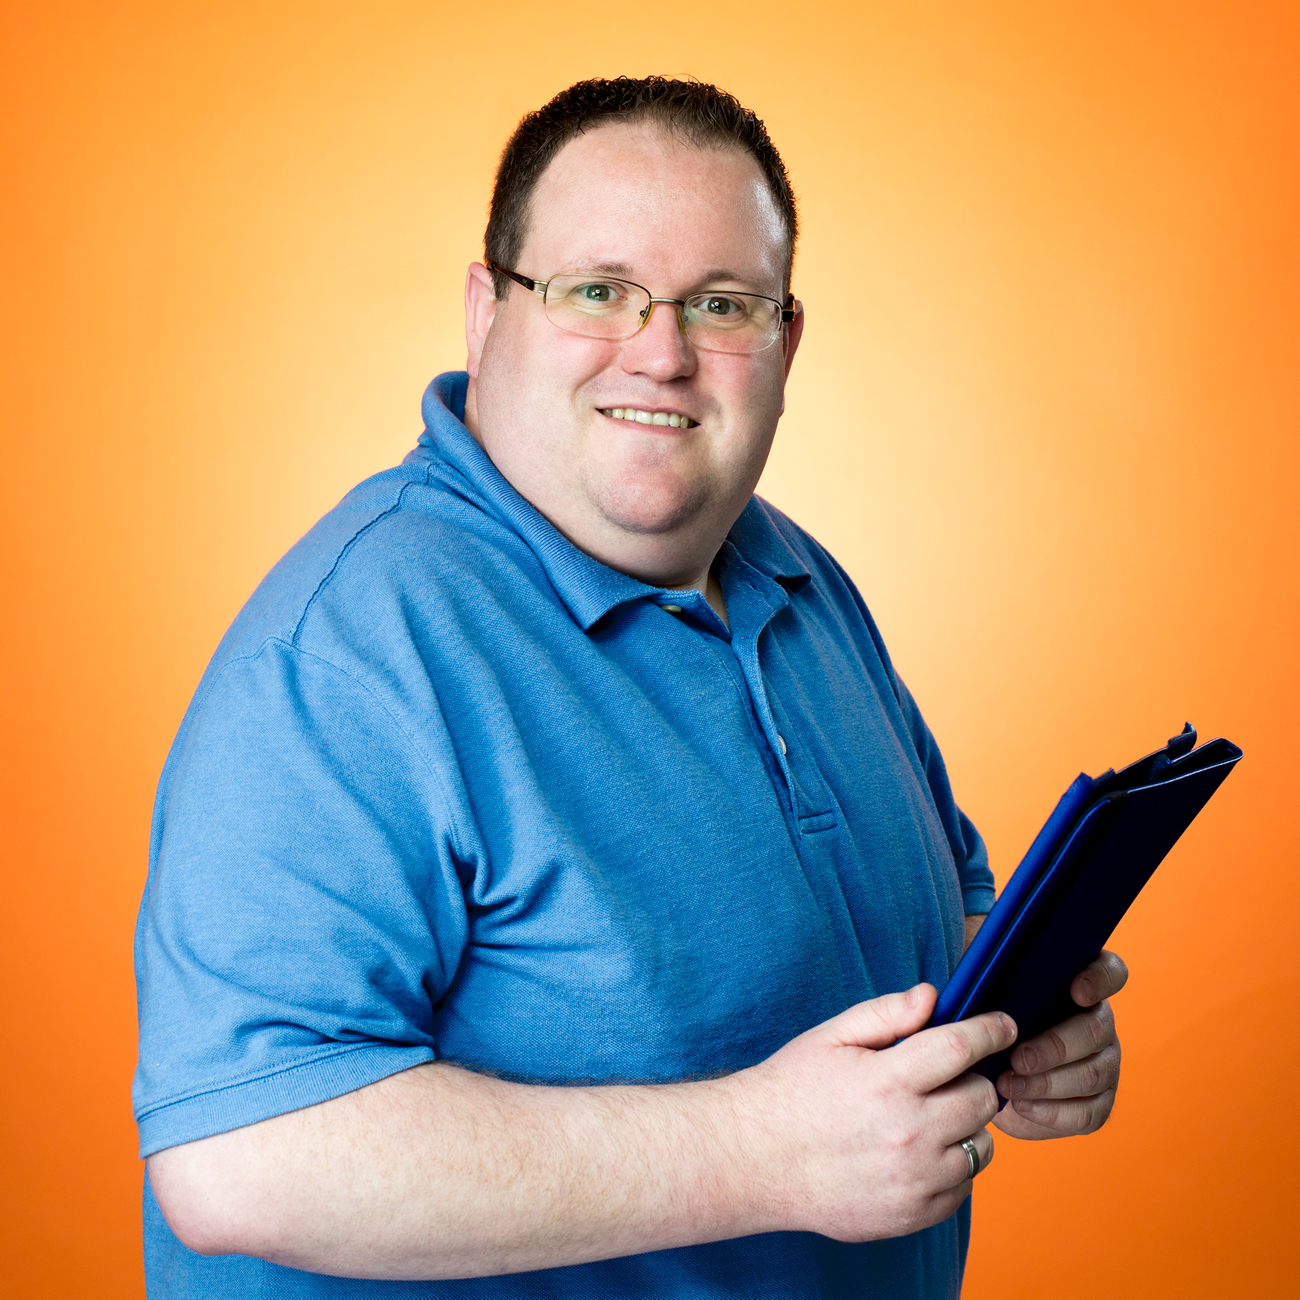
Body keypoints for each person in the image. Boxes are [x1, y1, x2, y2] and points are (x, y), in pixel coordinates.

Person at [134, 77, 1126, 1299]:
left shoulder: (797, 577)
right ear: (485, 311)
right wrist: (753, 1154)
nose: (661, 354)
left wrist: (1015, 1028)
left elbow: (937, 921)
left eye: (722, 304)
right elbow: (241, 1160)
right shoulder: (347, 654)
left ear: (785, 344)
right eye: (597, 290)